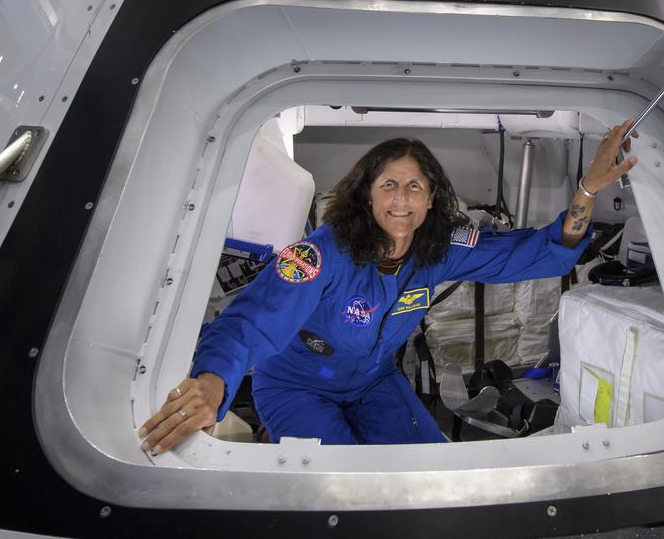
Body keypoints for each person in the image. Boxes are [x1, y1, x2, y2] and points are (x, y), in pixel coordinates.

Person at [139, 120, 638, 451]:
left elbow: (534, 253)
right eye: (389, 186)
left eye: (415, 187)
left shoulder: (439, 249)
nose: (402, 199)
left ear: (430, 200)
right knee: (343, 490)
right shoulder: (322, 253)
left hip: (375, 382)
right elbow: (252, 319)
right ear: (367, 196)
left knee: (433, 471)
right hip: (295, 386)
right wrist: (211, 383)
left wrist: (588, 188)